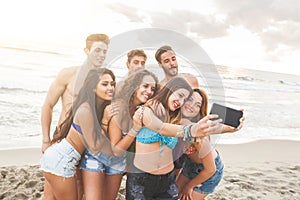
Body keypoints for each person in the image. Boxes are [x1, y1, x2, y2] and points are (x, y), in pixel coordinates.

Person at [40, 68, 141, 199]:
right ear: (93, 87)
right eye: (105, 84)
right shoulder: (86, 109)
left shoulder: (96, 107)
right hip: (61, 161)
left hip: (63, 158)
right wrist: (105, 121)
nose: (110, 87)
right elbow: (96, 145)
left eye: (112, 84)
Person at [126, 77, 224, 199]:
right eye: (183, 97)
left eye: (184, 98)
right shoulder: (147, 111)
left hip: (171, 178)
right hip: (142, 178)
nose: (182, 101)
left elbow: (210, 167)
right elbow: (160, 127)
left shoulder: (182, 122)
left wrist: (230, 129)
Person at [40, 33, 109, 199]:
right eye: (97, 50)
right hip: (62, 137)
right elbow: (48, 105)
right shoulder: (69, 74)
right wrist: (45, 139)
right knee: (50, 192)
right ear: (86, 50)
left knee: (77, 186)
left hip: (85, 141)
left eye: (105, 52)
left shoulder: (103, 80)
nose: (101, 55)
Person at [79, 69, 159, 200]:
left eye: (152, 89)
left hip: (118, 161)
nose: (149, 91)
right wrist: (136, 128)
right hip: (98, 156)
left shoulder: (143, 111)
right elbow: (116, 149)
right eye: (145, 86)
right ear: (134, 86)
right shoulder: (119, 107)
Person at [177, 88, 245, 199]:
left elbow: (210, 169)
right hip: (190, 164)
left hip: (210, 170)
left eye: (197, 105)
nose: (191, 105)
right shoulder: (176, 122)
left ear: (199, 111)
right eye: (190, 100)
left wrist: (189, 186)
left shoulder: (198, 135)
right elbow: (214, 128)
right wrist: (230, 128)